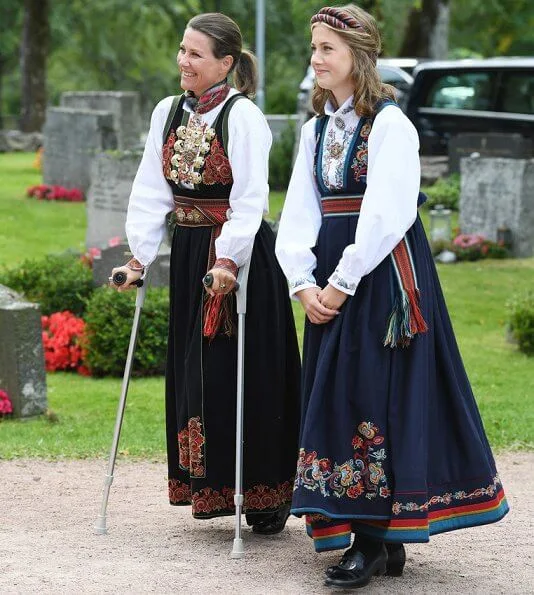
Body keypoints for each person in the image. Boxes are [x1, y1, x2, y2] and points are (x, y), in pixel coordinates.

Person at [275, 4, 509, 589]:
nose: (317, 59)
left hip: (381, 275)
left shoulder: (390, 125)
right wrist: (302, 281)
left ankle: (374, 539)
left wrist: (342, 279)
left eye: (327, 48)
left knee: (373, 394)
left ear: (360, 55)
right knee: (335, 393)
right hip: (328, 274)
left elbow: (386, 213)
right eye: (314, 48)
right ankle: (370, 534)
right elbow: (299, 212)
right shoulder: (315, 131)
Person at [111, 12, 300, 535]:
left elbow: (250, 199)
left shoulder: (243, 118)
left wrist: (229, 259)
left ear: (226, 63)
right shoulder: (167, 112)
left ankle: (265, 494)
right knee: (196, 371)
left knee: (241, 370)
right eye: (181, 50)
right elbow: (151, 188)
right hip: (191, 249)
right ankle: (208, 488)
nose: (183, 61)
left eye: (195, 54)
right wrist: (138, 257)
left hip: (237, 261)